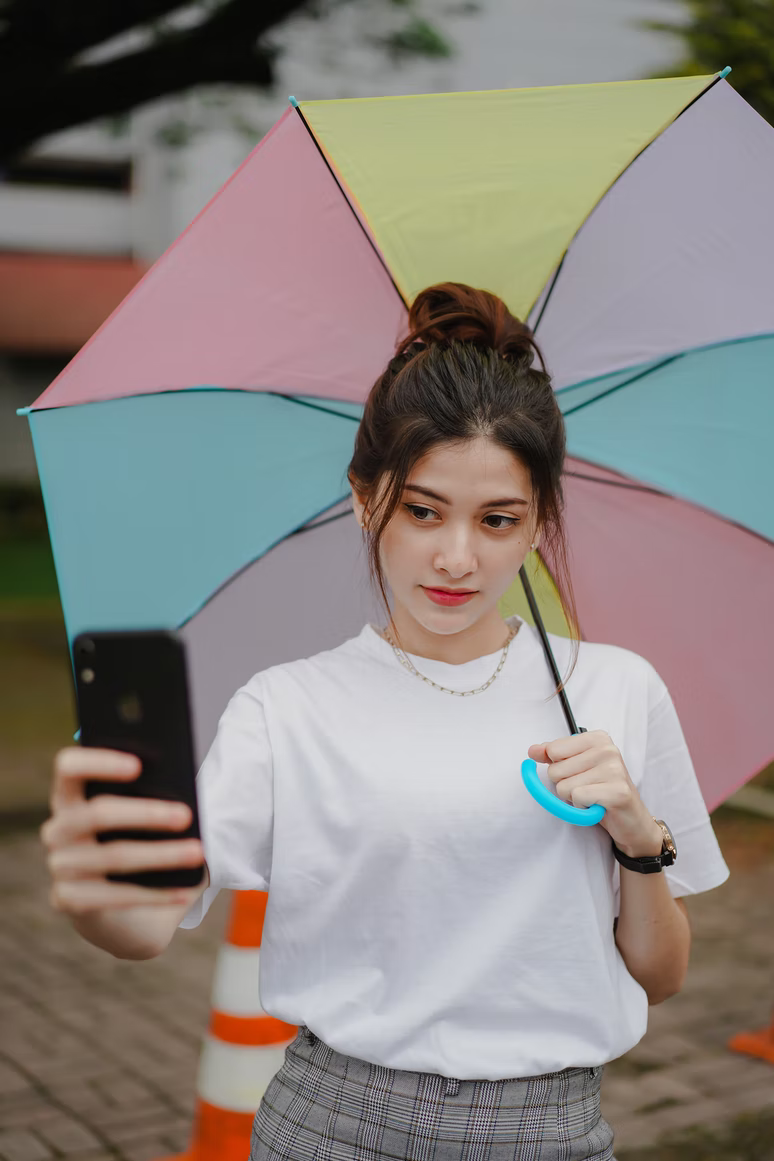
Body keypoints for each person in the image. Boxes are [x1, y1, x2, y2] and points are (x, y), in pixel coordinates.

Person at [42, 282, 730, 1160]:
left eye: (498, 520)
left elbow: (661, 975)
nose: (457, 557)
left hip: (551, 1134)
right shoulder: (287, 707)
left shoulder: (617, 689)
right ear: (368, 499)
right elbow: (146, 927)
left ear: (538, 522)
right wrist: (99, 887)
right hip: (331, 1124)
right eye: (422, 510)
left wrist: (638, 834)